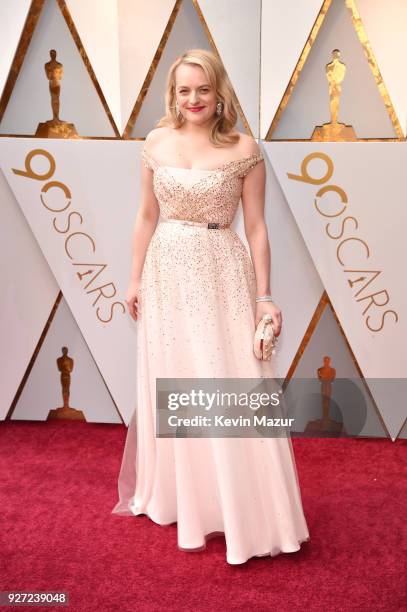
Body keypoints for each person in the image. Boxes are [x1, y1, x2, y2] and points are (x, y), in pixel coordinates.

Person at [112, 48, 310, 565]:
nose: (193, 99)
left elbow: (258, 228)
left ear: (218, 91)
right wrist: (133, 279)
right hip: (166, 270)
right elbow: (145, 216)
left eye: (202, 88)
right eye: (184, 90)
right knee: (175, 376)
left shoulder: (245, 148)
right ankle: (185, 497)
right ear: (172, 95)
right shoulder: (155, 142)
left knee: (229, 377)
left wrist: (264, 297)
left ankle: (239, 504)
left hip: (223, 269)